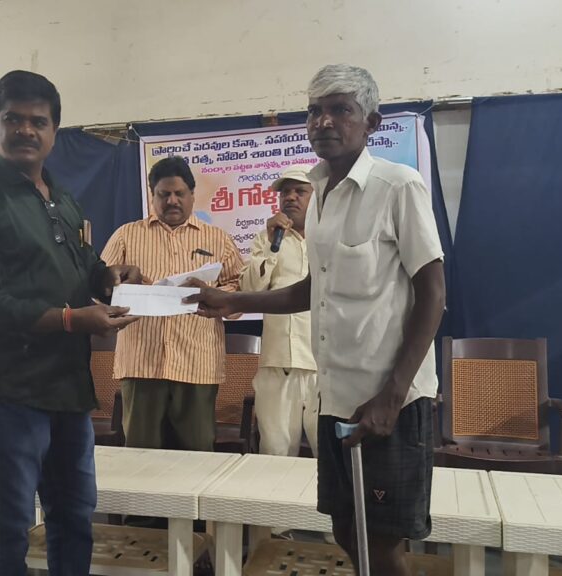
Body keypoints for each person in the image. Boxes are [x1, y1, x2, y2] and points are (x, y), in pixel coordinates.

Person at [186, 64, 445, 576]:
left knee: (383, 541)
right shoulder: (319, 192)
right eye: (314, 111)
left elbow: (433, 293)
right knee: (346, 528)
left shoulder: (398, 186)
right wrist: (230, 300)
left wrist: (393, 395)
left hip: (388, 400)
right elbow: (313, 290)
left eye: (340, 110)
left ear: (371, 123)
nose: (323, 121)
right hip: (334, 397)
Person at [0, 70, 141, 576]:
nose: (26, 130)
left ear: (54, 131)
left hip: (67, 389)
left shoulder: (60, 198)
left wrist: (108, 276)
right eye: (13, 119)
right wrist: (73, 320)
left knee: (74, 517)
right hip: (9, 390)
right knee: (8, 530)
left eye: (39, 121)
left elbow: (82, 265)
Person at [101, 156, 243, 454]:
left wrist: (212, 293)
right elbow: (98, 289)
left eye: (179, 193)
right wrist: (117, 284)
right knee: (140, 458)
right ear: (152, 196)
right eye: (163, 194)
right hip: (141, 364)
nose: (172, 201)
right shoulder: (127, 235)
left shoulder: (218, 240)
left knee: (197, 457)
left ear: (192, 195)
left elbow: (239, 293)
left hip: (197, 364)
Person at [239, 166, 319, 458]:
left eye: (300, 191)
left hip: (323, 365)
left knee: (331, 452)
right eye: (285, 192)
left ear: (316, 196)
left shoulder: (329, 236)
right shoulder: (266, 239)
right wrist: (273, 247)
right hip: (277, 363)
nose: (291, 197)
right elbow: (250, 290)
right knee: (275, 454)